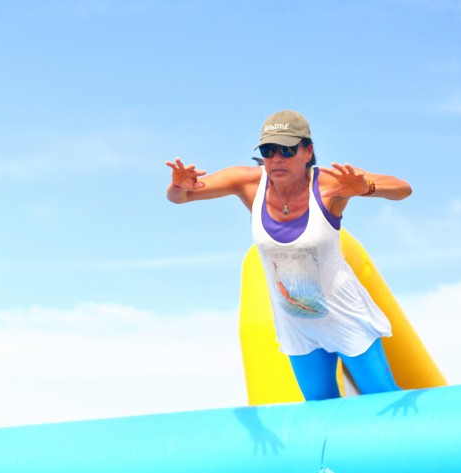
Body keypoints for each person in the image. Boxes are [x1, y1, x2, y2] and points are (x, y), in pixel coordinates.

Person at [165, 110, 412, 400]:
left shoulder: (330, 183)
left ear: (308, 151)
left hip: (346, 317)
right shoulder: (248, 183)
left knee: (383, 400)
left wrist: (366, 188)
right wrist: (178, 185)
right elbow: (180, 197)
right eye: (269, 151)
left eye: (287, 149)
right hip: (298, 327)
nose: (277, 158)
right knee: (321, 415)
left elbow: (402, 188)